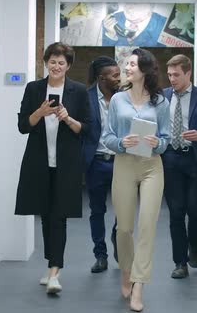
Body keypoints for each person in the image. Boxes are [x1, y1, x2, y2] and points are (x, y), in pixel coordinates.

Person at [15, 42, 90, 294]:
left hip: (66, 164)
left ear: (68, 66)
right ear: (46, 62)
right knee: (46, 216)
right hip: (38, 163)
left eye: (61, 62)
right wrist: (40, 111)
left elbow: (86, 129)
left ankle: (54, 271)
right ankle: (51, 263)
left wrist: (67, 118)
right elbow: (23, 126)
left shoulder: (79, 91)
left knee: (59, 216)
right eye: (52, 61)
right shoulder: (34, 88)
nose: (56, 66)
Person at [102, 48, 171, 312]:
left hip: (152, 166)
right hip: (125, 165)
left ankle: (139, 284)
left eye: (131, 64)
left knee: (147, 227)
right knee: (125, 228)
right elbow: (106, 136)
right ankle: (126, 271)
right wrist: (121, 142)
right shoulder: (118, 100)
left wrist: (158, 142)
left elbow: (166, 139)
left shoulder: (160, 102)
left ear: (144, 69)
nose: (127, 67)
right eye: (126, 64)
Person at [161, 54, 197, 279]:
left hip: (195, 159)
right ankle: (180, 262)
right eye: (169, 75)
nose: (172, 79)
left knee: (195, 210)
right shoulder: (163, 96)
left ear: (188, 73)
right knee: (176, 212)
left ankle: (193, 245)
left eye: (176, 75)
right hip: (171, 159)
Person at [82, 56, 121, 273]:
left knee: (122, 210)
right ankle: (100, 255)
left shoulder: (124, 98)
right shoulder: (85, 98)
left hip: (121, 163)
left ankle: (117, 235)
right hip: (96, 163)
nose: (119, 78)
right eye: (114, 75)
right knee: (97, 211)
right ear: (101, 78)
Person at [102, 3, 167, 47]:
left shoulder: (165, 26)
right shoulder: (110, 21)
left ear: (151, 6)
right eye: (129, 2)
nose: (130, 8)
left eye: (138, 4)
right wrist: (110, 35)